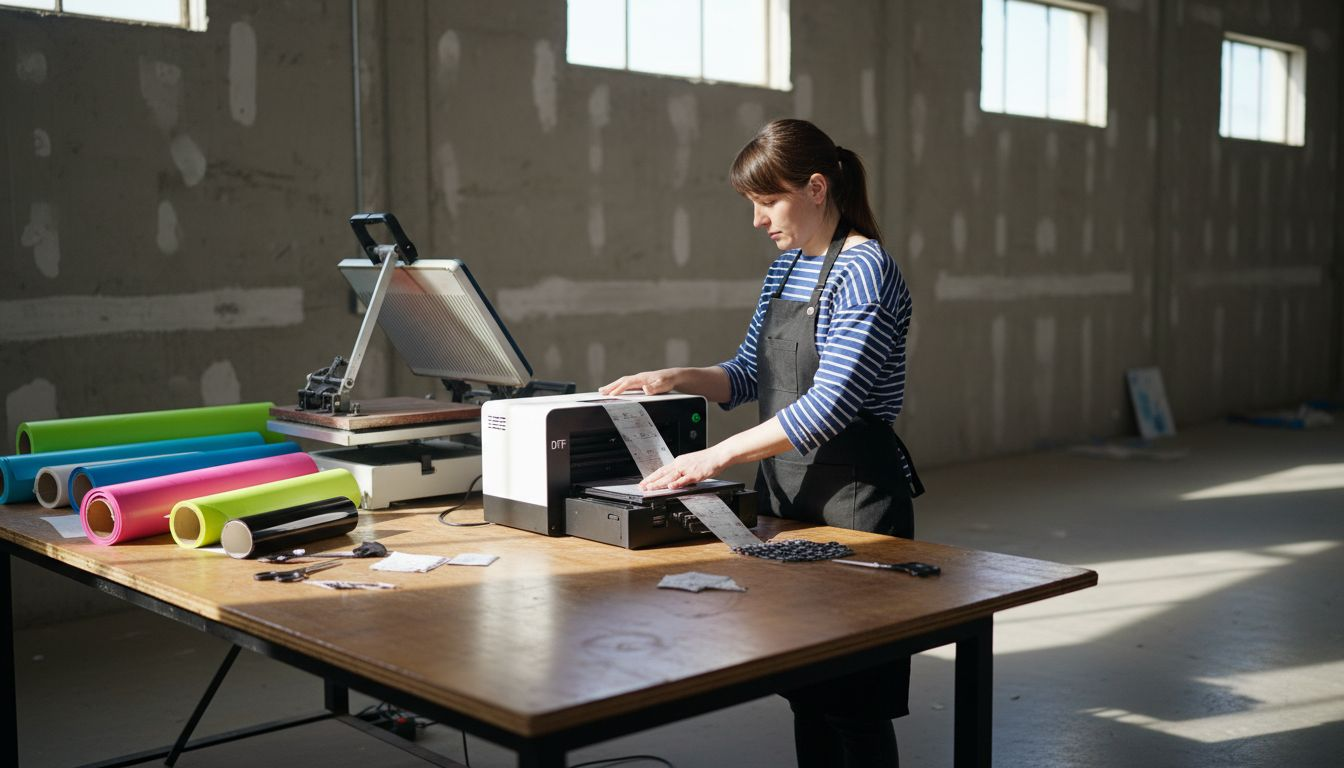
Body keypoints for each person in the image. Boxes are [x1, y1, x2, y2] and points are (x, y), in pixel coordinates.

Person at [600, 118, 924, 767]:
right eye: (752, 205)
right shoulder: (784, 271)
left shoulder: (864, 267)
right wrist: (675, 378)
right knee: (806, 687)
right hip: (788, 498)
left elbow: (832, 404)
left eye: (766, 202)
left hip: (856, 502)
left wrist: (714, 457)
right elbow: (749, 372)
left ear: (814, 187)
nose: (757, 221)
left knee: (854, 700)